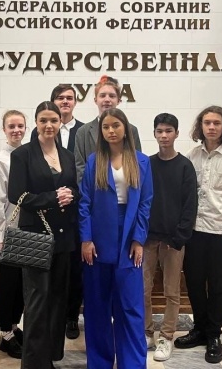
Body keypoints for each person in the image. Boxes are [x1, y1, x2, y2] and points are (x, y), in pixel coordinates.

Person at [79, 108, 153, 369]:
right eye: (106, 127)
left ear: (126, 128)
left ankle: (132, 363)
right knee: (97, 307)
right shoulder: (94, 161)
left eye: (116, 125)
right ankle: (99, 362)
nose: (111, 131)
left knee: (130, 308)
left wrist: (139, 239)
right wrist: (86, 239)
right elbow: (84, 203)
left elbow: (145, 204)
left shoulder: (141, 161)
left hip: (129, 236)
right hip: (99, 237)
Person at [174, 106, 222, 364]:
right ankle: (200, 329)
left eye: (217, 123)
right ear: (201, 126)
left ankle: (214, 335)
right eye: (207, 122)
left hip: (221, 232)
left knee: (218, 286)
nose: (212, 127)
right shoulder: (191, 157)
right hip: (194, 232)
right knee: (194, 283)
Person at [8, 101, 79, 369]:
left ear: (60, 122)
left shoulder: (68, 155)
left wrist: (71, 195)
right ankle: (33, 363)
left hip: (63, 236)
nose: (49, 125)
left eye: (54, 120)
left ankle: (49, 358)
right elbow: (17, 195)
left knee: (58, 300)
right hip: (34, 235)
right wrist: (52, 198)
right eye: (43, 120)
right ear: (36, 123)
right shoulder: (23, 154)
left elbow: (74, 188)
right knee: (37, 301)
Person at [29, 84, 85, 341]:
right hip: (41, 217)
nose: (65, 101)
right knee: (43, 281)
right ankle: (45, 326)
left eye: (69, 98)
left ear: (74, 102)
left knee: (71, 272)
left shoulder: (83, 130)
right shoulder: (37, 134)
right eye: (60, 98)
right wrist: (52, 196)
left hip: (71, 215)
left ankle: (71, 317)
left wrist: (71, 194)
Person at [143, 113, 197, 362]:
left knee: (171, 291)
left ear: (176, 133)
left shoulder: (185, 166)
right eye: (160, 131)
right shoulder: (147, 164)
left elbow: (190, 205)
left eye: (168, 131)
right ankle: (146, 332)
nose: (164, 136)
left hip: (173, 240)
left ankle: (166, 336)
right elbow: (141, 200)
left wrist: (179, 237)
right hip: (147, 239)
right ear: (154, 134)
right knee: (142, 290)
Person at [0, 110, 27, 359]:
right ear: (4, 129)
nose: (16, 130)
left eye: (20, 126)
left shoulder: (28, 155)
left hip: (28, 231)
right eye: (11, 126)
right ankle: (5, 332)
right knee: (8, 285)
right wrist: (2, 236)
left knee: (21, 285)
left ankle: (14, 325)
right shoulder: (1, 160)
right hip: (10, 233)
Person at [75, 75, 141, 183]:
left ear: (118, 100)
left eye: (112, 96)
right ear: (95, 100)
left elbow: (137, 163)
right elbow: (80, 168)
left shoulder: (131, 130)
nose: (107, 99)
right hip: (94, 188)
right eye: (102, 96)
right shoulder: (83, 132)